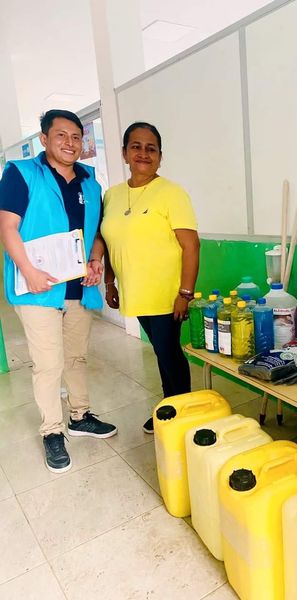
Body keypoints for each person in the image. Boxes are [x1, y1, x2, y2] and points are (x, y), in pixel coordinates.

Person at [0, 109, 117, 474]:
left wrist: (95, 259)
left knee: (76, 357)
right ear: (44, 138)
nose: (70, 142)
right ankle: (52, 431)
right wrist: (29, 271)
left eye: (76, 136)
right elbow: (7, 227)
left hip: (78, 287)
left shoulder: (91, 183)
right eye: (61, 135)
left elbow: (96, 233)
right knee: (49, 364)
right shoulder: (21, 173)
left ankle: (80, 416)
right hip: (38, 288)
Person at [100, 122, 200, 433]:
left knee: (168, 352)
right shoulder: (112, 196)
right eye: (136, 146)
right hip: (135, 292)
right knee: (161, 351)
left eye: (151, 148)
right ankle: (171, 406)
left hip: (166, 293)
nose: (143, 153)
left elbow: (191, 245)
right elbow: (110, 241)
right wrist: (109, 281)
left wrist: (185, 293)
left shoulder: (172, 193)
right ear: (124, 153)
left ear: (160, 156)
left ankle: (180, 413)